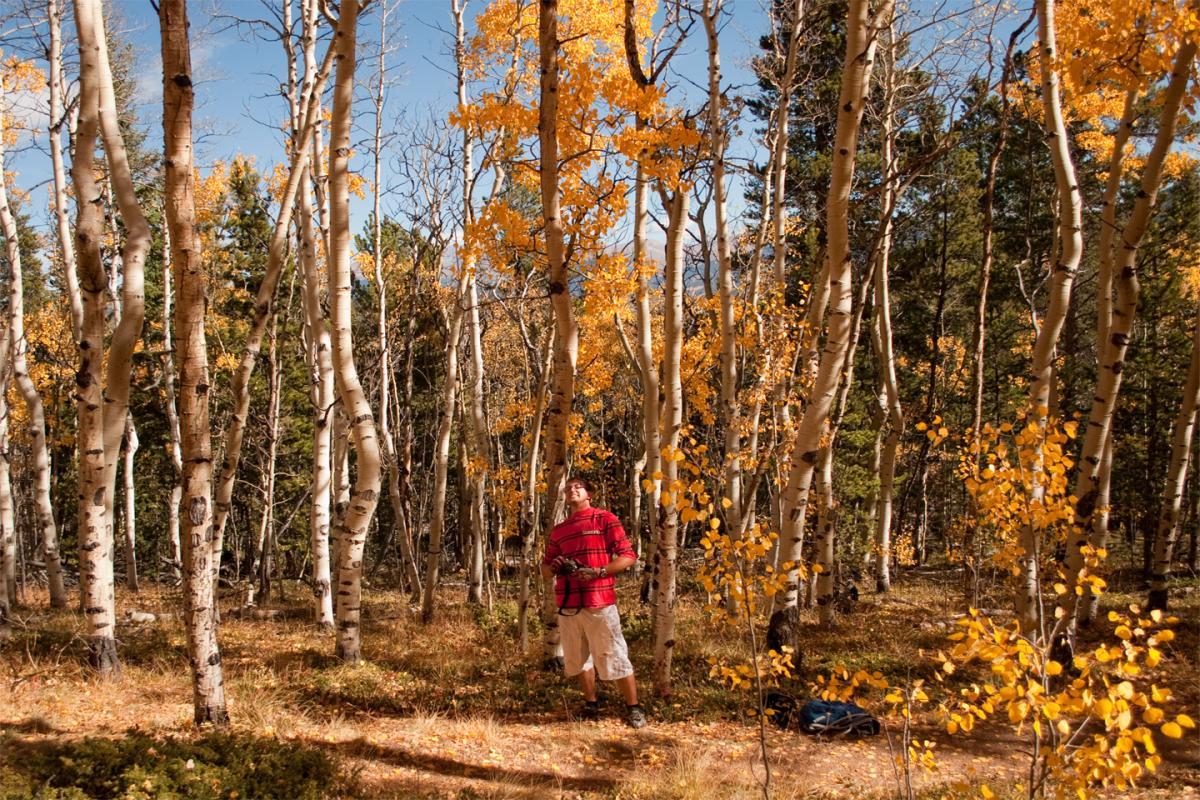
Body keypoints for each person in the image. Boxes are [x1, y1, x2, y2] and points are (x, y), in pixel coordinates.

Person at [541, 476, 646, 729]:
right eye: (568, 489)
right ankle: (591, 706)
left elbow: (628, 556)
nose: (572, 490)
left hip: (599, 600)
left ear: (590, 494)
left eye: (578, 487)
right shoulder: (559, 530)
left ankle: (634, 708)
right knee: (578, 658)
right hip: (568, 604)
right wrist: (555, 567)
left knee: (614, 654)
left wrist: (598, 572)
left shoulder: (604, 519)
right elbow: (545, 569)